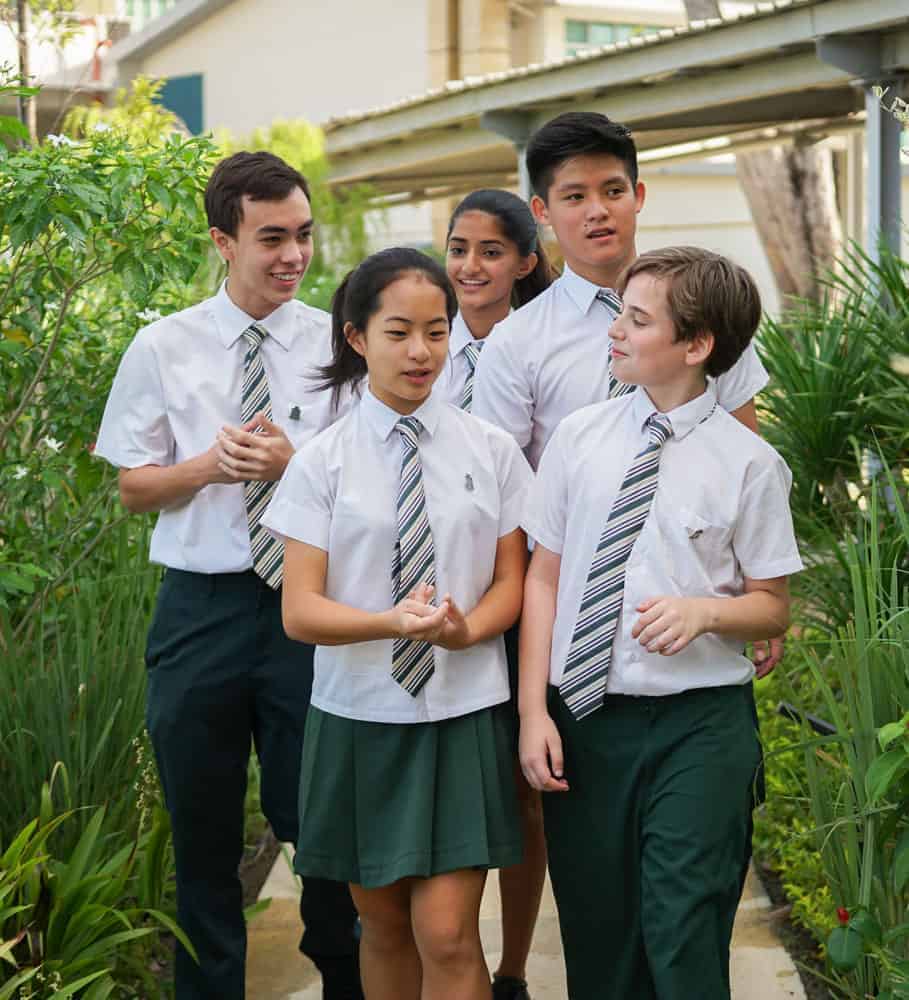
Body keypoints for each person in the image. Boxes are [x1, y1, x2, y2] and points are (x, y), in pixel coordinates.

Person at [94, 151, 361, 1000]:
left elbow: (371, 480)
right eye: (272, 238)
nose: (294, 255)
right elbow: (134, 487)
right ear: (223, 241)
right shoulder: (162, 346)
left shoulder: (337, 342)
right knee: (201, 831)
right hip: (199, 611)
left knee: (318, 823)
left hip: (306, 609)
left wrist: (294, 463)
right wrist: (207, 467)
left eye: (303, 235)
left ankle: (347, 981)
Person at [518, 246, 803, 999]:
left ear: (696, 344)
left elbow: (772, 604)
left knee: (682, 929)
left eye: (638, 320)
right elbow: (543, 577)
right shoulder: (578, 439)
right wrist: (532, 713)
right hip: (586, 724)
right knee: (599, 941)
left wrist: (706, 611)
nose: (615, 330)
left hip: (699, 728)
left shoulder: (749, 464)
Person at [260, 247, 533, 1000]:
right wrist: (388, 622)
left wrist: (464, 632)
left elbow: (513, 580)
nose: (421, 352)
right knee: (380, 926)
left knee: (447, 934)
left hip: (463, 712)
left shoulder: (491, 450)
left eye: (437, 332)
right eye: (399, 332)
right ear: (357, 338)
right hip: (359, 719)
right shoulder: (321, 462)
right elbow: (299, 610)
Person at [440, 189, 551, 1000]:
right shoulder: (417, 343)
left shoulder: (540, 344)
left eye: (489, 251)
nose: (470, 266)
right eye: (457, 248)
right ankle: (450, 954)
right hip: (439, 593)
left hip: (525, 584)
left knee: (521, 791)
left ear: (524, 262)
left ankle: (510, 967)